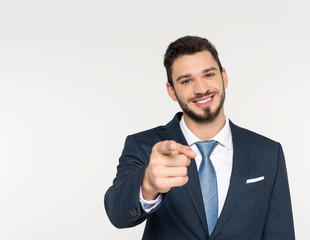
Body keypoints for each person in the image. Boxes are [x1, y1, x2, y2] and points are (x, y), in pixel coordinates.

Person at [104, 36, 295, 240]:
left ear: (224, 77)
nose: (201, 89)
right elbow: (117, 214)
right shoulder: (145, 146)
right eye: (186, 80)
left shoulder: (268, 152)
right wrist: (148, 184)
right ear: (172, 91)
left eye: (209, 75)